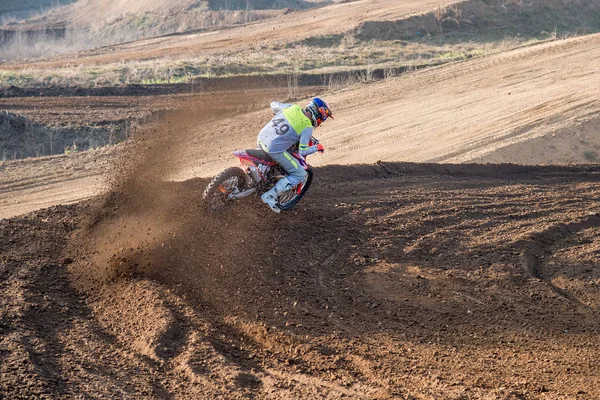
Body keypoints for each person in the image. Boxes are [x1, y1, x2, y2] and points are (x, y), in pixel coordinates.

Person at [257, 97, 333, 213]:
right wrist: (317, 147)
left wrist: (281, 114)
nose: (322, 120)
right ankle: (269, 196)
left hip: (262, 138)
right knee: (300, 174)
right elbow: (302, 151)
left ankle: (262, 175)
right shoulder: (307, 126)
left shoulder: (293, 108)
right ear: (318, 112)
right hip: (274, 149)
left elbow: (273, 104)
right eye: (323, 116)